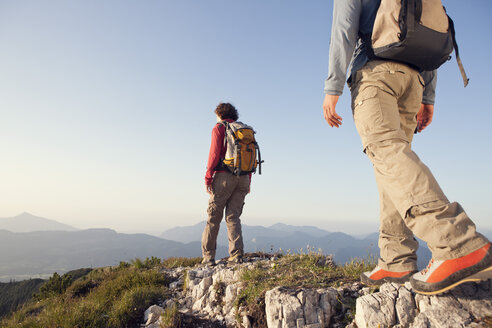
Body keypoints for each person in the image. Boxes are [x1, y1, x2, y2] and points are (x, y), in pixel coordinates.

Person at [323, 0, 491, 294]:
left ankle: (457, 242)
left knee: (387, 153)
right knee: (391, 166)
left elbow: (344, 30)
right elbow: (427, 40)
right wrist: (428, 97)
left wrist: (332, 88)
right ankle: (396, 259)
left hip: (375, 74)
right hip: (414, 80)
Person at [201, 103, 250, 266]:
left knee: (214, 218)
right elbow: (248, 158)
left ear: (219, 114)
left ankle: (208, 257)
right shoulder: (244, 130)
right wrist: (248, 181)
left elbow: (214, 154)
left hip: (224, 177)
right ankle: (236, 255)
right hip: (243, 177)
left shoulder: (220, 128)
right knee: (233, 216)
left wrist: (208, 177)